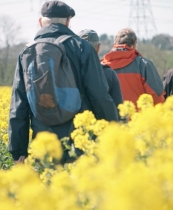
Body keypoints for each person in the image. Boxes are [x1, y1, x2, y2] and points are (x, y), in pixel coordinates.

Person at [8, 1, 118, 164]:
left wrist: (18, 152)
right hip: (78, 138)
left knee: (50, 186)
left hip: (43, 139)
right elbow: (99, 94)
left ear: (40, 22)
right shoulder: (82, 47)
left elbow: (19, 106)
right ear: (68, 21)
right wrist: (114, 133)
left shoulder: (26, 53)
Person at [101, 28, 165, 106]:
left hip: (110, 117)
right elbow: (157, 96)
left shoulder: (101, 66)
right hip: (140, 117)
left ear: (115, 44)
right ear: (134, 44)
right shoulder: (144, 65)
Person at [78, 29, 123, 108]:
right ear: (98, 47)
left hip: (78, 119)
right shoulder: (109, 74)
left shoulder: (70, 71)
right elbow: (119, 108)